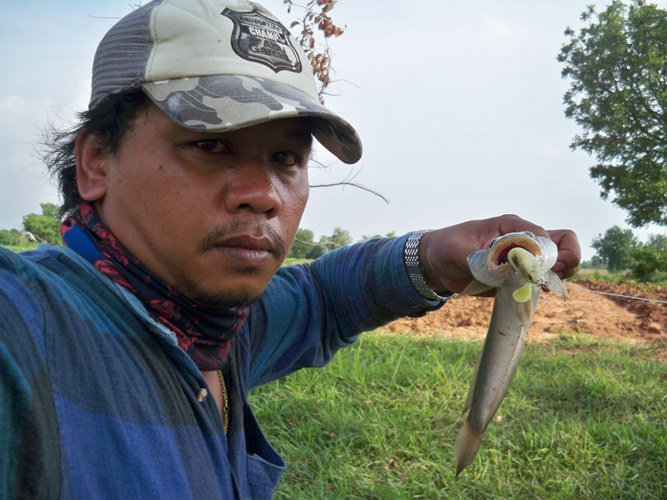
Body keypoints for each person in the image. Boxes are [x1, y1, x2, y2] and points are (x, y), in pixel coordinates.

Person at [0, 0, 580, 498]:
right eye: (211, 144)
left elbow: (323, 297)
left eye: (286, 159)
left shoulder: (219, 326)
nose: (264, 195)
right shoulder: (26, 328)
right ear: (95, 161)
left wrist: (432, 256)